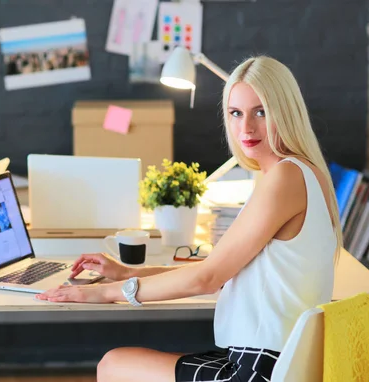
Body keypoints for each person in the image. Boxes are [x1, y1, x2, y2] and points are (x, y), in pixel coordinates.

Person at [36, 55, 342, 382]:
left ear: (285, 112)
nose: (246, 128)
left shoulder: (285, 178)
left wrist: (104, 292)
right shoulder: (302, 173)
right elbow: (220, 271)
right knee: (118, 363)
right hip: (272, 362)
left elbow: (207, 279)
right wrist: (128, 272)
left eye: (261, 112)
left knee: (113, 365)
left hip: (259, 369)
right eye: (236, 113)